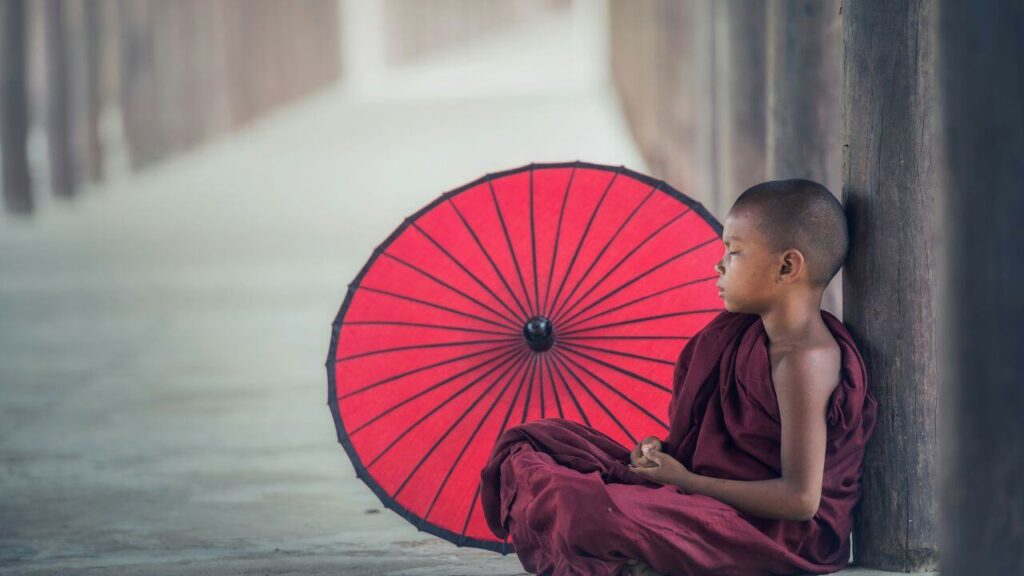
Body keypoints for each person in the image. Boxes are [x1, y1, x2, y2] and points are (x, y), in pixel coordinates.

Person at [478, 179, 878, 576]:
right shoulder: (742, 335)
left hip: (774, 534)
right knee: (533, 440)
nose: (719, 265)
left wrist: (686, 480)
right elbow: (707, 446)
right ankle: (644, 555)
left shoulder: (805, 361)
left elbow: (800, 500)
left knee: (578, 505)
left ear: (787, 266)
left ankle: (641, 556)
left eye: (734, 252)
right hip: (707, 500)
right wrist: (662, 456)